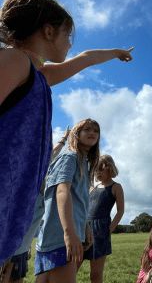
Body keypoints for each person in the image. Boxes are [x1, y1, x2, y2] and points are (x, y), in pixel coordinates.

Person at [0, 0, 133, 269]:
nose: (71, 43)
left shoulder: (40, 74)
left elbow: (86, 58)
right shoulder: (15, 61)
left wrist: (115, 52)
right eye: (67, 35)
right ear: (49, 32)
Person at [34, 119, 101, 283]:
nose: (92, 132)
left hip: (67, 235)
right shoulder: (69, 157)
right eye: (86, 129)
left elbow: (78, 200)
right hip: (59, 237)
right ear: (76, 134)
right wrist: (69, 232)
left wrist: (84, 226)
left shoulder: (83, 162)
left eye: (96, 130)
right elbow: (62, 190)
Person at [5, 126, 71, 283]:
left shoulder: (41, 188)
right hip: (8, 248)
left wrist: (63, 139)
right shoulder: (17, 179)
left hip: (21, 250)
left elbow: (52, 154)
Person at [77, 154, 125, 283]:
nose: (97, 172)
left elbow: (120, 211)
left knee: (95, 275)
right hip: (84, 230)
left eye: (100, 169)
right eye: (95, 169)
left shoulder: (116, 187)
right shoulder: (92, 187)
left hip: (101, 232)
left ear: (109, 168)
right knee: (72, 269)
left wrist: (108, 230)